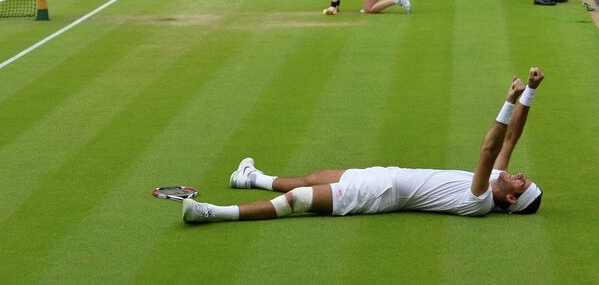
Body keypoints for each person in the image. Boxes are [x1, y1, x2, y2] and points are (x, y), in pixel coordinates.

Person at [182, 68, 546, 223]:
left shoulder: (481, 199)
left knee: (296, 202)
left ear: (511, 199)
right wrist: (530, 90)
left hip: (380, 193)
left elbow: (488, 149)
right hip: (386, 175)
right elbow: (511, 137)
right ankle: (251, 178)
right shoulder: (497, 180)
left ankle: (213, 212)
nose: (520, 175)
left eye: (522, 184)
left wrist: (508, 99)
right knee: (314, 178)